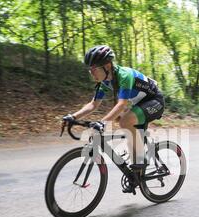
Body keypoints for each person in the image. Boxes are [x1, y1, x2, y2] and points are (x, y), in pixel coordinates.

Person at [63, 45, 165, 192]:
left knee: (125, 120)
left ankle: (140, 160)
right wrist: (73, 117)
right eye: (90, 69)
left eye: (94, 69)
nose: (92, 73)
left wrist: (102, 122)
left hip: (155, 101)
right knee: (120, 121)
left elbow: (122, 104)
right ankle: (136, 172)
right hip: (139, 103)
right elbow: (93, 105)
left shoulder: (124, 75)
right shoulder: (104, 82)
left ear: (107, 66)